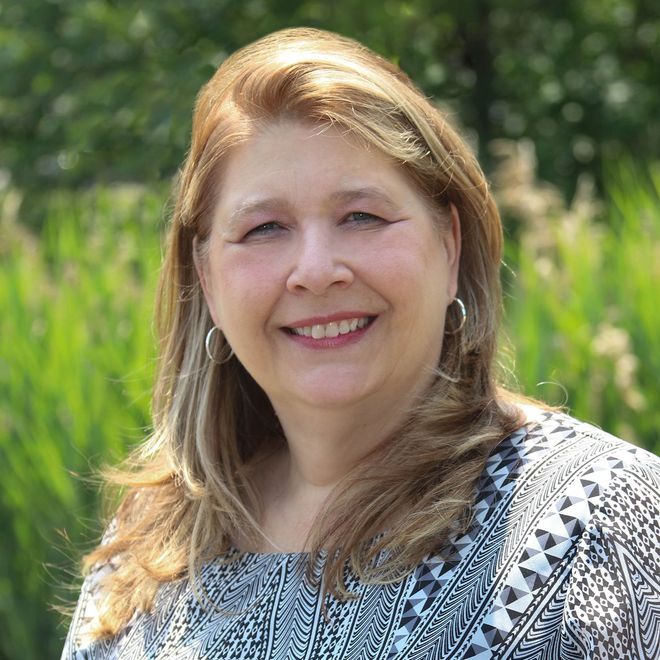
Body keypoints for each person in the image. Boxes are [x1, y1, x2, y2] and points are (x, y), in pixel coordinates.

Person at [62, 27, 660, 659]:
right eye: (265, 228)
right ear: (207, 278)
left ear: (449, 246)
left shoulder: (598, 522)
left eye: (362, 217)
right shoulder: (149, 544)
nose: (316, 270)